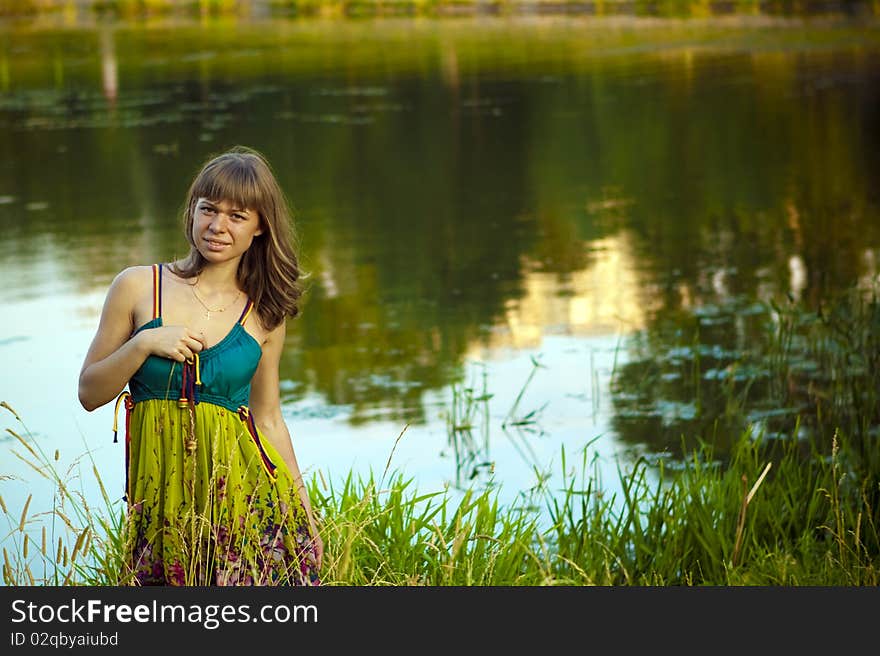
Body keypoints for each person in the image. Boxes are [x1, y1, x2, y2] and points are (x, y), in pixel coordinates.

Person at [78, 146, 323, 586]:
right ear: (191, 211)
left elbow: (268, 419)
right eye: (208, 209)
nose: (217, 226)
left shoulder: (265, 314)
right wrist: (144, 344)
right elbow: (90, 394)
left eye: (237, 216)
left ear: (260, 227)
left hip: (243, 502)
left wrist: (301, 509)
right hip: (159, 507)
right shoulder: (137, 286)